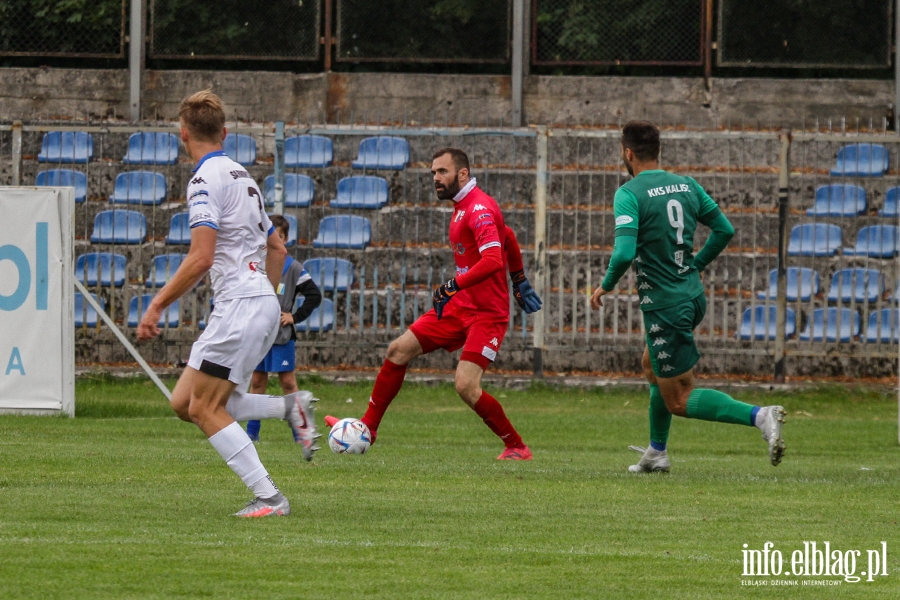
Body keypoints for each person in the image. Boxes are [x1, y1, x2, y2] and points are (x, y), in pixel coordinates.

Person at [137, 90, 319, 518]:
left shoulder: (203, 181)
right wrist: (268, 303)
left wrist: (157, 304)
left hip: (240, 304)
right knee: (184, 403)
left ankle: (271, 498)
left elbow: (200, 257)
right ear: (225, 132)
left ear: (183, 134)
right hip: (255, 301)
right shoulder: (244, 176)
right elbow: (277, 250)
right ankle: (290, 407)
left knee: (204, 407)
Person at [590, 120, 786, 474]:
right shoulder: (686, 184)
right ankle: (656, 452)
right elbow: (724, 229)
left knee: (679, 397)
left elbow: (622, 254)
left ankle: (760, 416)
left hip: (666, 304)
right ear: (658, 151)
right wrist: (696, 264)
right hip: (691, 295)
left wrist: (606, 284)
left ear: (628, 153)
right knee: (652, 366)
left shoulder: (629, 193)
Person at [325, 148, 541, 460]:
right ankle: (369, 428)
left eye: (442, 172)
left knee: (466, 386)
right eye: (433, 173)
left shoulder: (478, 208)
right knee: (398, 350)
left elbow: (494, 258)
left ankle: (516, 446)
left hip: (487, 313)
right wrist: (519, 279)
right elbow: (507, 237)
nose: (436, 179)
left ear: (462, 174)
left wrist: (456, 284)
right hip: (460, 306)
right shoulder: (464, 206)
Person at [245, 214, 323, 442]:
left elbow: (314, 295)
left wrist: (294, 316)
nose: (273, 241)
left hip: (282, 337)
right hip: (259, 334)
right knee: (257, 382)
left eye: (279, 237)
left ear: (285, 239)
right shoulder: (255, 265)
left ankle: (301, 433)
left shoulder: (294, 268)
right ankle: (252, 434)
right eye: (270, 236)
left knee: (288, 383)